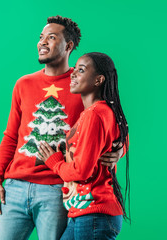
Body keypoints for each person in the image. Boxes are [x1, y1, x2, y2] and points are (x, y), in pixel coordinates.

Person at [0, 16, 123, 240]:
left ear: (68, 46)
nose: (42, 42)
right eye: (41, 37)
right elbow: (11, 136)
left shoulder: (83, 82)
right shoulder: (24, 84)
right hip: (15, 187)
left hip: (57, 189)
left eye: (51, 37)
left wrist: (120, 149)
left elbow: (113, 122)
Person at [37, 52, 130, 240]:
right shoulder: (100, 111)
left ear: (98, 80)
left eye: (81, 70)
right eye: (75, 69)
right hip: (86, 213)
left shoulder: (95, 114)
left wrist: (54, 163)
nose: (73, 74)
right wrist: (121, 149)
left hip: (94, 214)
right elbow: (120, 136)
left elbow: (81, 171)